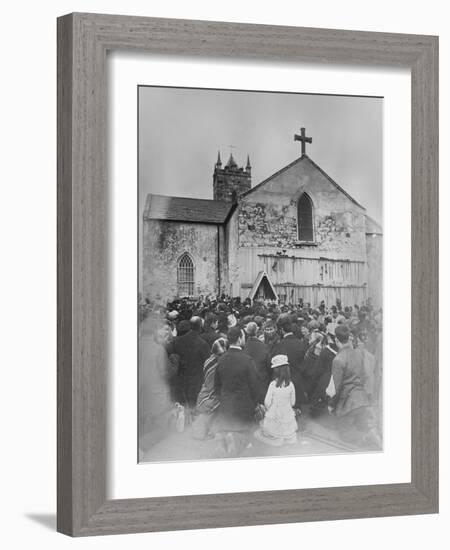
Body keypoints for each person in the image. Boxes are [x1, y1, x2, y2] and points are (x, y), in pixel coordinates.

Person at [326, 324, 380, 448]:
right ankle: (369, 431)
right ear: (349, 338)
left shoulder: (338, 359)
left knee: (344, 434)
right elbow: (366, 375)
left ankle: (366, 437)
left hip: (348, 402)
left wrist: (331, 405)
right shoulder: (359, 353)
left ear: (336, 340)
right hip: (362, 398)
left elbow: (337, 387)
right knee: (360, 423)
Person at [214, 326, 260, 456]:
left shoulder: (221, 359)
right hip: (244, 405)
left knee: (230, 427)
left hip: (226, 404)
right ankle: (236, 443)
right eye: (243, 336)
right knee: (243, 435)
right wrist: (254, 402)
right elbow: (255, 385)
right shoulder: (247, 360)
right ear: (240, 339)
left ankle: (228, 441)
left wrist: (222, 397)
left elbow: (216, 385)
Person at [139, 320, 177, 451]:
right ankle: (141, 446)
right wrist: (174, 362)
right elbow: (166, 373)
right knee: (162, 428)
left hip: (142, 391)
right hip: (157, 393)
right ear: (155, 331)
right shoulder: (158, 349)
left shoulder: (136, 345)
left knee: (143, 421)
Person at [254, 355, 298, 447]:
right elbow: (293, 402)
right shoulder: (291, 385)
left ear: (276, 371)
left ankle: (276, 438)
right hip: (287, 415)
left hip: (274, 415)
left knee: (263, 433)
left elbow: (267, 402)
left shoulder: (273, 385)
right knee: (288, 434)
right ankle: (285, 438)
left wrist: (271, 410)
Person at [169, 316, 210, 408]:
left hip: (181, 382)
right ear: (201, 326)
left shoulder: (177, 341)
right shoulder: (203, 344)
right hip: (196, 383)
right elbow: (207, 365)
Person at [192, 337, 228, 440]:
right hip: (211, 391)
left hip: (206, 390)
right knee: (208, 411)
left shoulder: (208, 360)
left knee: (207, 410)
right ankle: (201, 432)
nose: (221, 356)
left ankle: (204, 431)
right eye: (220, 354)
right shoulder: (218, 363)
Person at [272, 317, 308, 408]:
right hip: (298, 381)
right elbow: (305, 363)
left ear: (282, 330)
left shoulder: (279, 345)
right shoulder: (301, 343)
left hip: (284, 382)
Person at [243, 321, 271, 401]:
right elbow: (269, 365)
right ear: (256, 331)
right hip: (262, 381)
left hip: (248, 382)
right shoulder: (264, 347)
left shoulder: (245, 346)